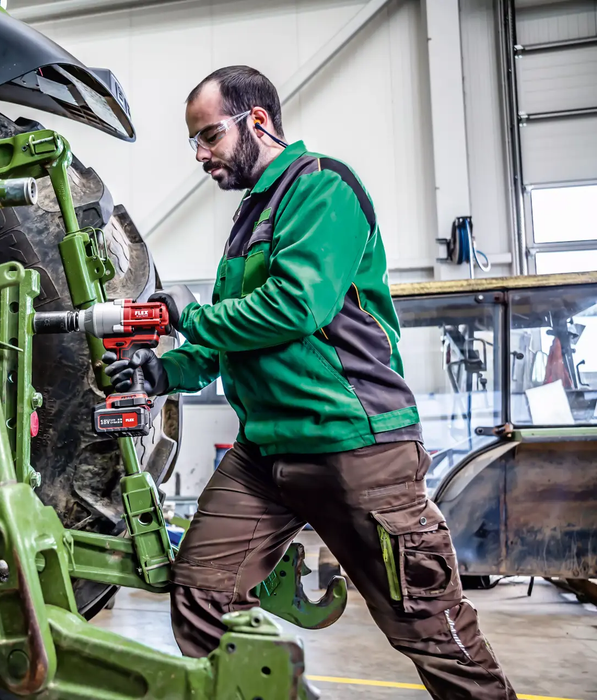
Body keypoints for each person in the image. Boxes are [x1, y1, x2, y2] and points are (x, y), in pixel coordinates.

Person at [102, 65, 516, 699]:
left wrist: (187, 314)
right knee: (200, 594)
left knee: (430, 630)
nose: (200, 156)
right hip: (266, 454)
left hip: (356, 446)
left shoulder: (323, 187)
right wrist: (163, 369)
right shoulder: (247, 221)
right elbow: (223, 346)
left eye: (209, 137)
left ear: (257, 122)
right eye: (195, 142)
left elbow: (298, 308)